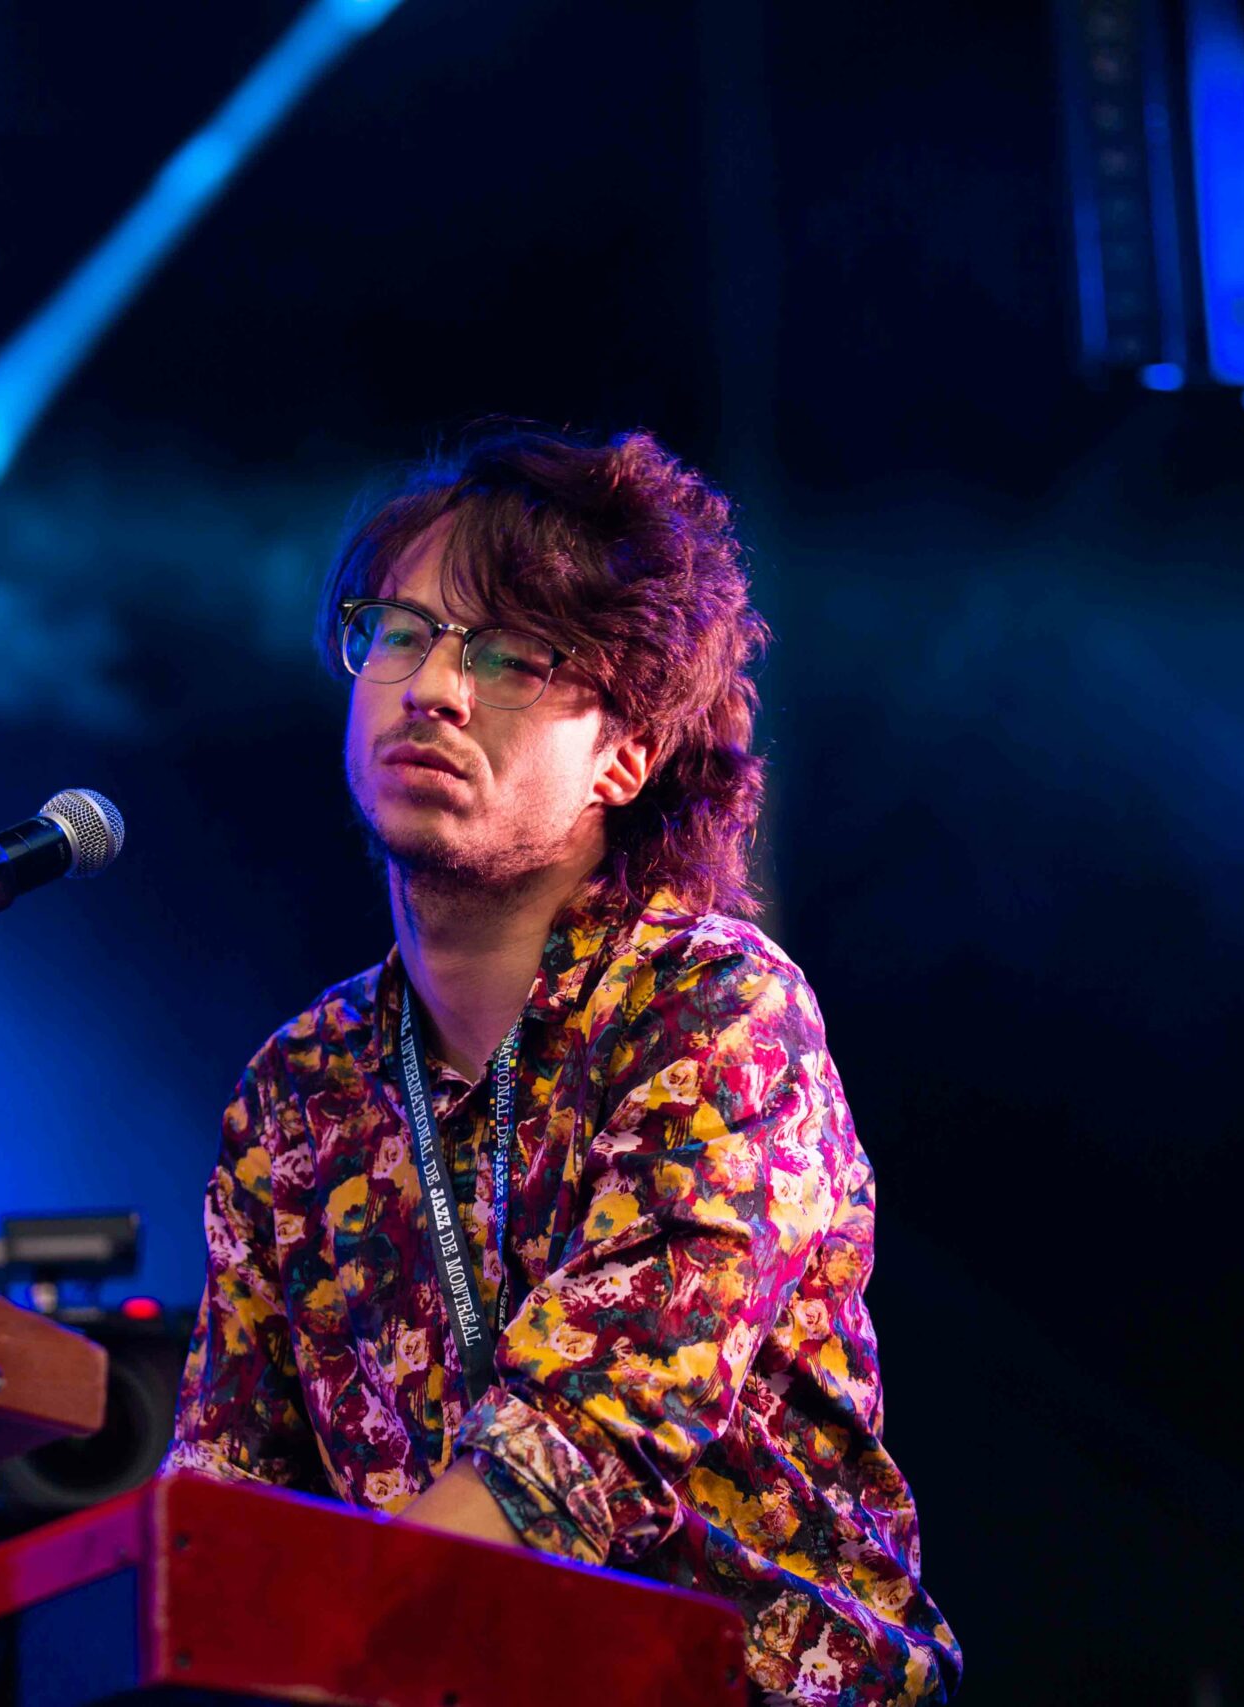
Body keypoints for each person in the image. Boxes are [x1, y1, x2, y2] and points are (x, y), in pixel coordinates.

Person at [163, 424, 958, 1704]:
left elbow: (577, 1450)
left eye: (508, 656)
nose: (433, 687)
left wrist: (311, 1657)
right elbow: (227, 1504)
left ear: (625, 754)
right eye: (402, 632)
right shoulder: (297, 1092)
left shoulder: (713, 1010)